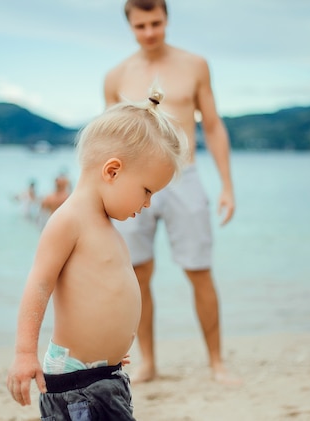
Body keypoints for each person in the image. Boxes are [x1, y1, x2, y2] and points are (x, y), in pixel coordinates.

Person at [6, 87, 188, 420]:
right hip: (78, 382)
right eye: (147, 190)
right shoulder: (69, 219)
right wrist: (23, 353)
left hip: (103, 375)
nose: (148, 203)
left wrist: (110, 347)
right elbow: (39, 284)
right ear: (113, 171)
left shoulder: (103, 224)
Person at [104, 0, 239, 385]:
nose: (149, 32)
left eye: (156, 23)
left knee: (199, 270)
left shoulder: (194, 65)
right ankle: (148, 363)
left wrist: (227, 185)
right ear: (130, 25)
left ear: (167, 19)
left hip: (185, 175)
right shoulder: (115, 76)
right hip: (133, 182)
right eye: (141, 26)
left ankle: (216, 362)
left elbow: (212, 125)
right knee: (138, 273)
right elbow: (109, 139)